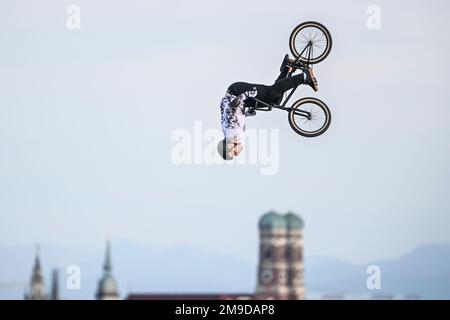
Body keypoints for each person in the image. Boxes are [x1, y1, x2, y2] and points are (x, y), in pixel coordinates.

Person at [217, 54, 319, 160]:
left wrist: (247, 94)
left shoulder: (231, 131)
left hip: (237, 91)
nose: (237, 154)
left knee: (271, 93)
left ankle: (304, 76)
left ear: (230, 147)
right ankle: (288, 67)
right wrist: (246, 114)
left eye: (234, 153)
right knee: (274, 101)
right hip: (240, 99)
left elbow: (232, 107)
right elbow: (232, 115)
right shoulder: (231, 135)